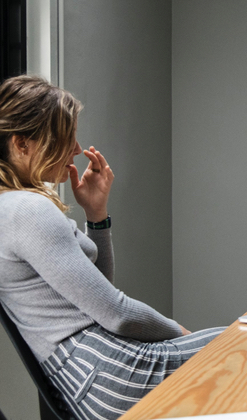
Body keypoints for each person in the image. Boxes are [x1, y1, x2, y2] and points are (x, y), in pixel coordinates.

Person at [0, 76, 225, 419]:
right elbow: (116, 313)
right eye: (65, 137)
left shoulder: (11, 208)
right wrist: (179, 332)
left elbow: (96, 291)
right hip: (109, 373)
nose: (76, 148)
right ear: (22, 144)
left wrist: (96, 214)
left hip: (92, 379)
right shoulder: (28, 210)